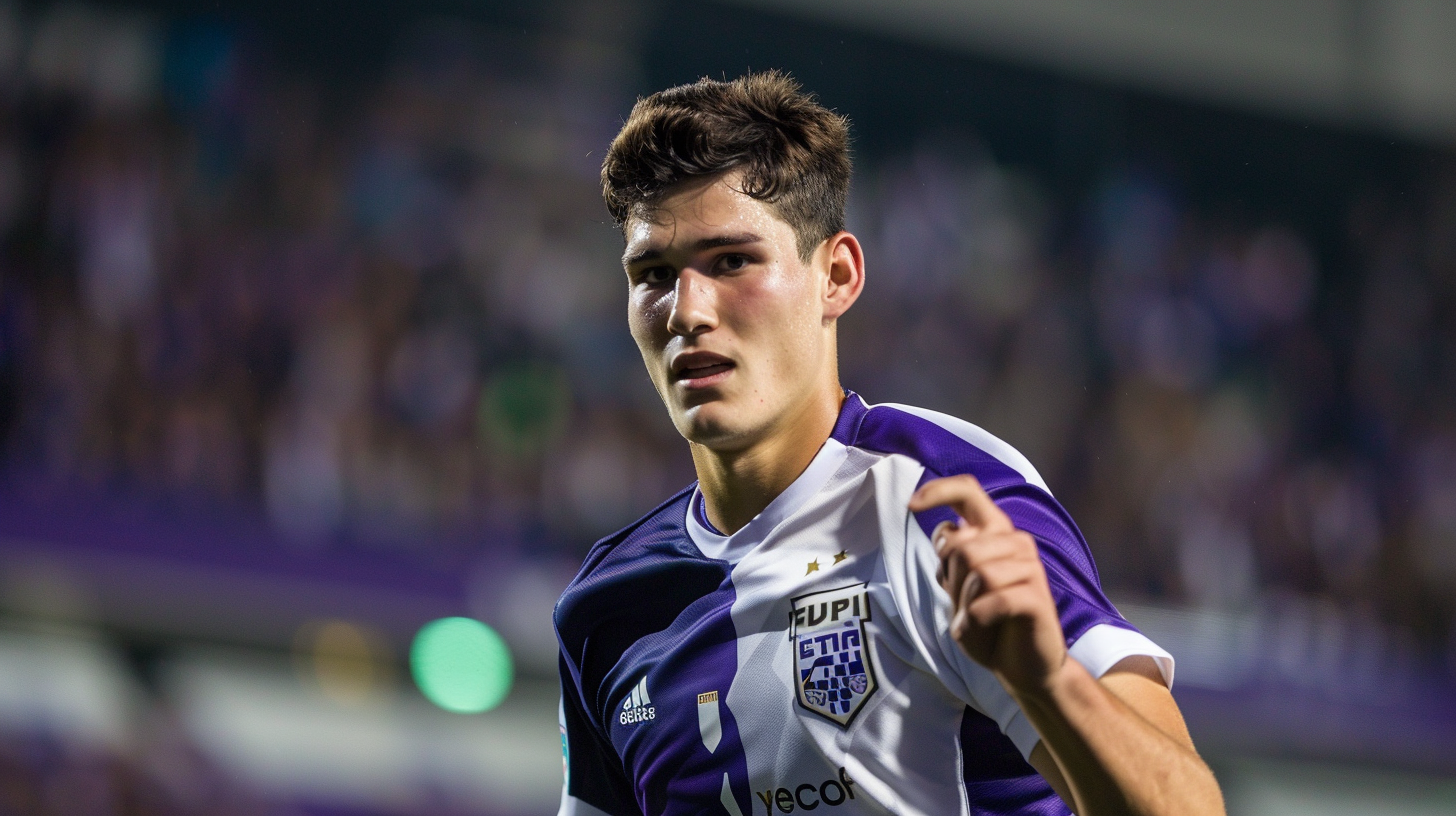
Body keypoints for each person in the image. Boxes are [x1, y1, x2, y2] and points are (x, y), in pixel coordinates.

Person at [554, 71, 1225, 816]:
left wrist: (1048, 685)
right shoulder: (607, 607)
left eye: (732, 261)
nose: (687, 310)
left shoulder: (945, 501)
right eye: (653, 274)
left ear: (835, 276)